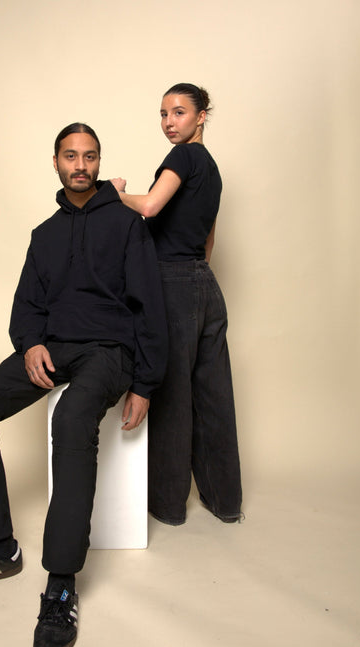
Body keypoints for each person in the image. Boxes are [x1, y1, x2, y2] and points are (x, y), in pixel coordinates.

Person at [0, 123, 167, 647]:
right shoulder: (44, 234)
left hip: (109, 351)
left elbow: (150, 307)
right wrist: (31, 344)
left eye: (89, 156)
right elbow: (26, 306)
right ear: (57, 162)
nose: (80, 165)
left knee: (70, 419)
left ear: (99, 161)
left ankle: (61, 584)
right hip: (54, 348)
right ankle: (0, 547)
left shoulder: (127, 224)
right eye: (70, 156)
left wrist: (145, 382)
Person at [111, 83, 242, 526]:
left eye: (179, 112)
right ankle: (225, 502)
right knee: (213, 397)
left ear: (201, 116)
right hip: (206, 284)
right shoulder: (213, 170)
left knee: (170, 394)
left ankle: (168, 506)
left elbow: (149, 206)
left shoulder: (183, 157)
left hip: (173, 282)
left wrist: (111, 194)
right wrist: (196, 278)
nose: (169, 122)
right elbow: (208, 241)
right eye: (164, 114)